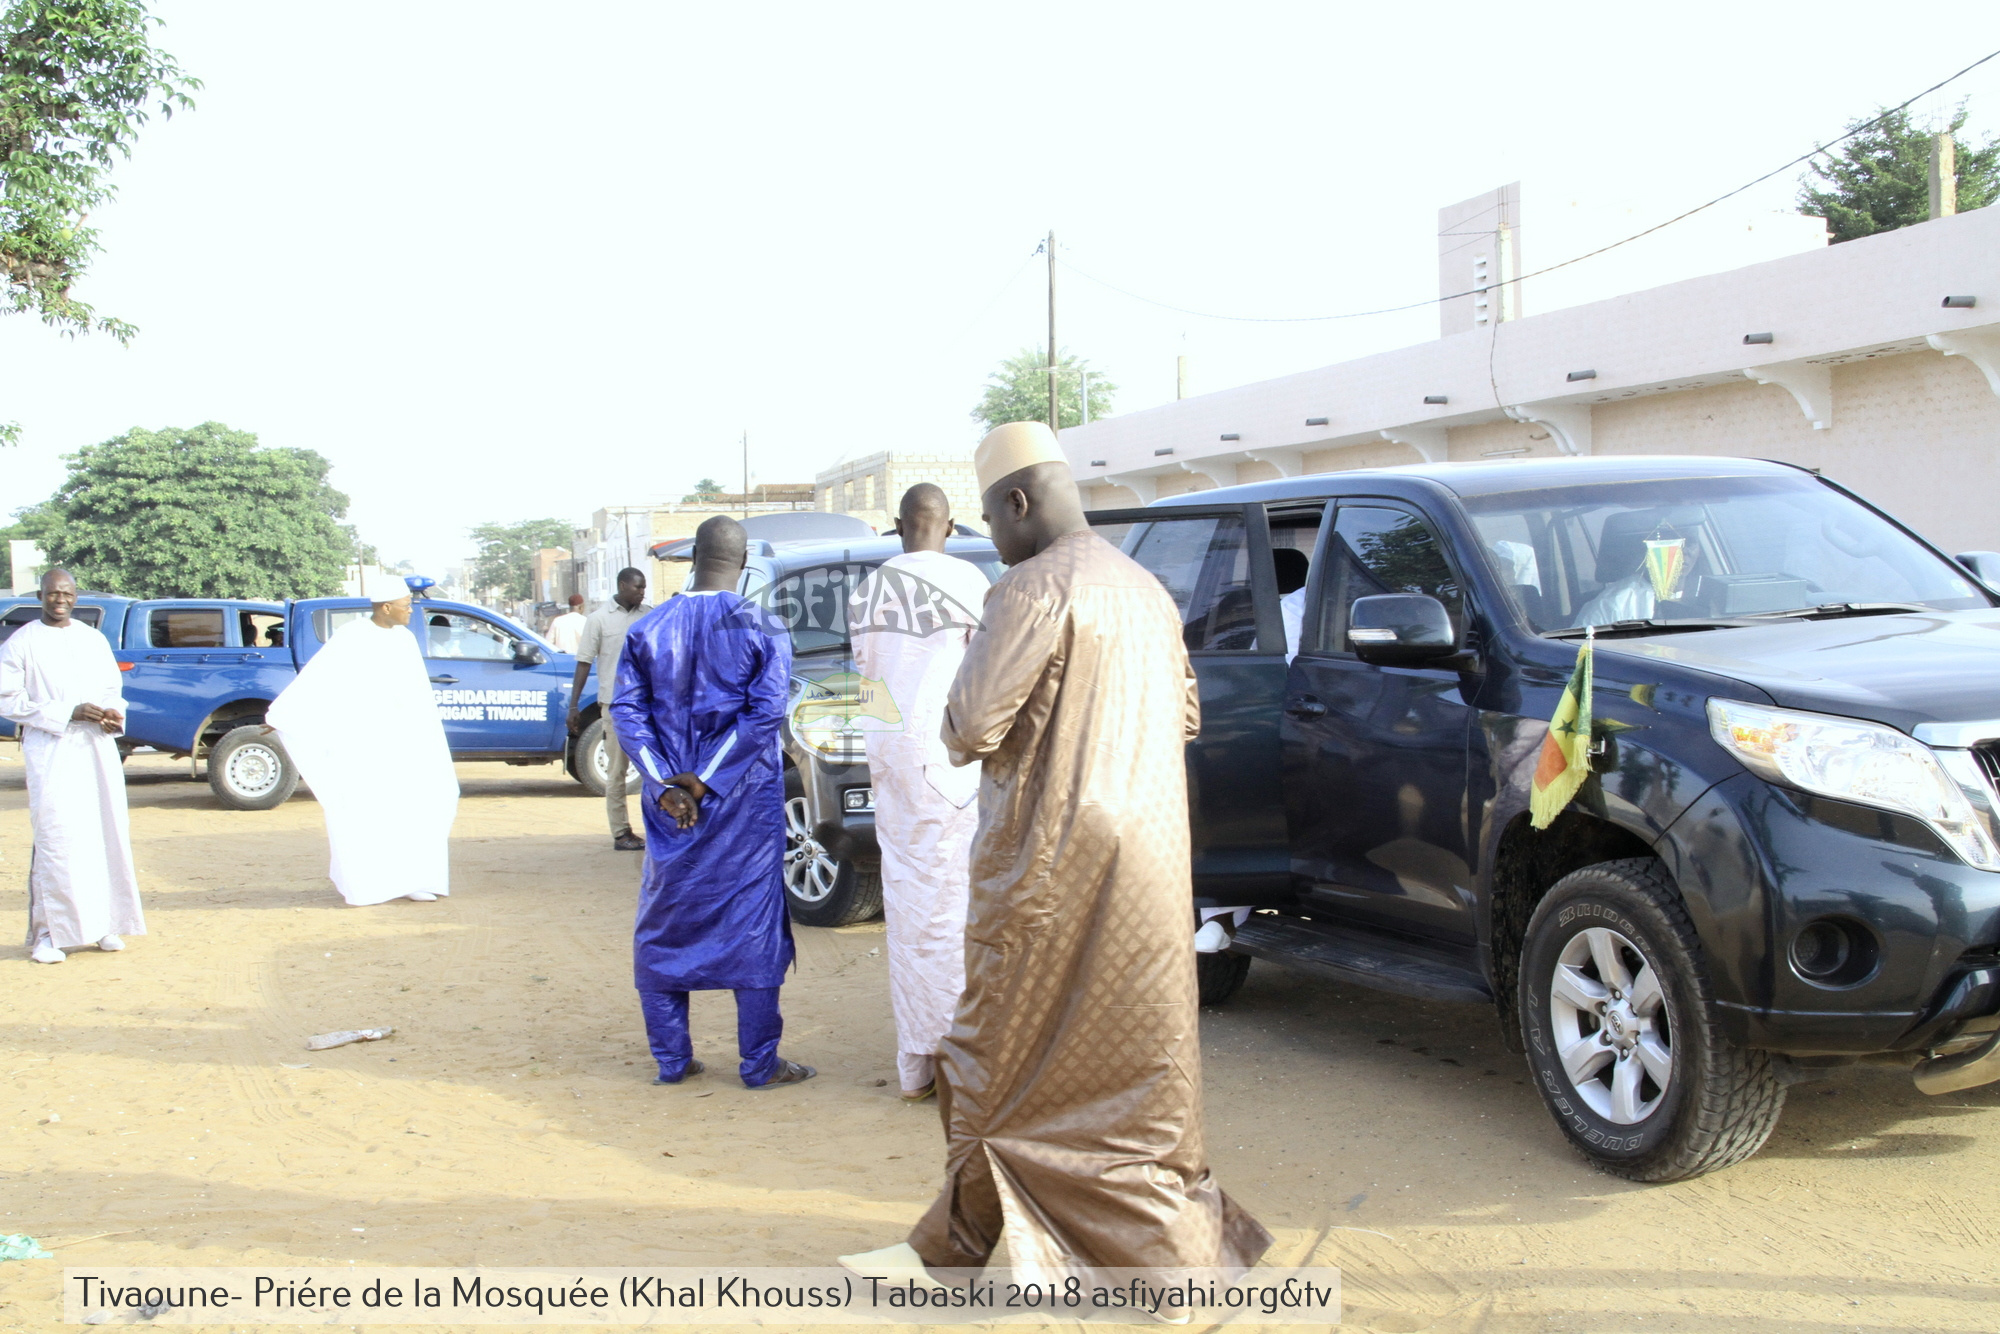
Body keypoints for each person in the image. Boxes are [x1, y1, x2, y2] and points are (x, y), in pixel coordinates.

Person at [840, 423, 1270, 1291]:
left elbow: (969, 726)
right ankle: (1175, 1259)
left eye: (994, 523)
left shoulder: (1030, 589)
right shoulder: (1148, 589)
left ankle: (952, 1253)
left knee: (977, 1060)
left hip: (1043, 870)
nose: (992, 541)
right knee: (1137, 1080)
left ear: (1019, 503)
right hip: (1147, 874)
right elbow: (1186, 718)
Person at [609, 517, 814, 1089]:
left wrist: (665, 783)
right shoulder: (763, 625)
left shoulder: (648, 627)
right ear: (744, 562)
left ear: (692, 557)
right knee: (751, 922)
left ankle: (672, 1061)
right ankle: (758, 1063)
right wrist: (708, 780)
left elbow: (626, 711)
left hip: (670, 805)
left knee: (664, 918)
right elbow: (767, 711)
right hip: (743, 803)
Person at [846, 484, 989, 1101]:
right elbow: (988, 675)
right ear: (950, 526)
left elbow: (865, 677)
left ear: (898, 525)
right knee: (955, 908)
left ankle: (916, 1066)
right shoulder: (969, 583)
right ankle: (959, 1060)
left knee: (905, 909)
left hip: (891, 760)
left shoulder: (867, 590)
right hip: (949, 764)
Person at [265, 571, 458, 906]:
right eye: (405, 605)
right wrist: (283, 715)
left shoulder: (404, 640)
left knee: (411, 808)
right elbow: (319, 680)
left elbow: (416, 695)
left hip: (401, 742)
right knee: (367, 812)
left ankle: (413, 879)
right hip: (364, 744)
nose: (410, 611)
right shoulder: (352, 636)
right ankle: (369, 885)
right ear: (385, 608)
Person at [0, 569, 144, 964]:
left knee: (102, 832)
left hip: (95, 748)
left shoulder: (92, 639)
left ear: (75, 597)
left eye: (66, 593)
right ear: (41, 596)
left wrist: (112, 714)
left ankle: (105, 925)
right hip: (52, 748)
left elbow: (112, 690)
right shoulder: (23, 642)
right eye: (51, 594)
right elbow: (8, 700)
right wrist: (68, 712)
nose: (59, 600)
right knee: (57, 839)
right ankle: (50, 934)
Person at [567, 567, 652, 851]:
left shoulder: (650, 616)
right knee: (617, 773)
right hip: (615, 705)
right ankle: (621, 832)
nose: (642, 592)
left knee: (654, 771)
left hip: (647, 706)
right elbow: (583, 662)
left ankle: (658, 829)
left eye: (644, 588)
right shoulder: (599, 620)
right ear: (622, 585)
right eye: (637, 587)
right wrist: (573, 705)